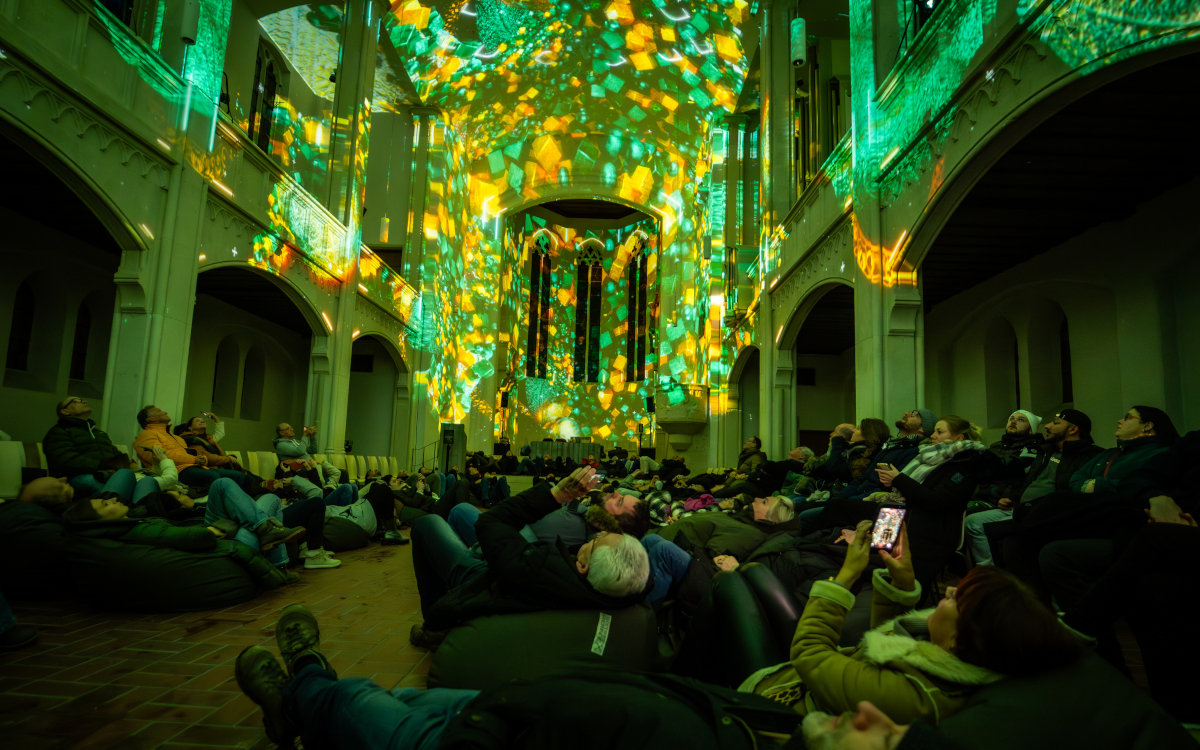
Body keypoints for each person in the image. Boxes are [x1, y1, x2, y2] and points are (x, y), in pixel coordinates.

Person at [233, 605, 814, 750]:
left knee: (360, 699)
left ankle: (303, 683)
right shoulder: (789, 724)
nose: (868, 717)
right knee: (395, 695)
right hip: (509, 706)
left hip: (486, 740)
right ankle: (311, 700)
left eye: (886, 739)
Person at [718, 522, 1081, 726]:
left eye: (959, 598)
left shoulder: (918, 699)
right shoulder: (950, 655)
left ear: (958, 641)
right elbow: (883, 647)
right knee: (747, 577)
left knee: (731, 586)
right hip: (800, 678)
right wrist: (902, 581)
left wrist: (845, 577)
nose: (951, 589)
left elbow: (810, 653)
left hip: (781, 705)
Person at [409, 467, 650, 648]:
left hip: (484, 581)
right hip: (508, 569)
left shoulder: (541, 566)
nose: (599, 536)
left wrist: (555, 494)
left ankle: (433, 629)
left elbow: (490, 522)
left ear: (583, 565)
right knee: (458, 512)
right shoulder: (627, 583)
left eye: (599, 539)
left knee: (426, 523)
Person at [61, 491, 303, 590]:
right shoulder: (134, 531)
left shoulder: (132, 524)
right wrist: (214, 530)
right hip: (229, 544)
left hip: (220, 539)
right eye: (106, 505)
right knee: (268, 500)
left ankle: (265, 533)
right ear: (98, 520)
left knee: (230, 489)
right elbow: (196, 537)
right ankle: (274, 552)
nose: (113, 500)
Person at [977, 409, 1103, 569]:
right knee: (987, 528)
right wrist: (1013, 498)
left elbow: (1075, 494)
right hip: (1023, 509)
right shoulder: (1045, 451)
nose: (1047, 426)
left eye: (1055, 423)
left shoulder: (1089, 456)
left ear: (1072, 429)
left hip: (1050, 516)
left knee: (1000, 533)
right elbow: (1027, 480)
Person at [134, 405, 252, 492]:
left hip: (192, 466)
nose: (164, 411)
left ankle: (232, 507)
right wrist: (195, 460)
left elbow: (189, 453)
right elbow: (160, 457)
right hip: (175, 471)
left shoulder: (176, 437)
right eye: (159, 411)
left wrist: (200, 459)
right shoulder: (147, 435)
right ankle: (209, 510)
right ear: (151, 419)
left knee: (238, 475)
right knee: (213, 476)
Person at [42, 396, 126, 495]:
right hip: (76, 478)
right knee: (93, 482)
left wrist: (128, 464)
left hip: (107, 474)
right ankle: (114, 504)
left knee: (139, 479)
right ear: (65, 411)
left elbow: (115, 454)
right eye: (75, 401)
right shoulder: (59, 432)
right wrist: (103, 467)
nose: (84, 402)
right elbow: (66, 460)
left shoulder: (99, 433)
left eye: (82, 400)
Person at [274, 423, 341, 489]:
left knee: (337, 472)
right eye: (288, 429)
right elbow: (300, 451)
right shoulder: (281, 445)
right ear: (282, 433)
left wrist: (312, 437)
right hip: (302, 467)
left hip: (311, 463)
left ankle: (328, 488)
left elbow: (312, 450)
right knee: (320, 477)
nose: (292, 429)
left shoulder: (295, 441)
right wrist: (305, 436)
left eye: (291, 428)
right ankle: (324, 490)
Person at [175, 413, 244, 471]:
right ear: (190, 427)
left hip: (219, 465)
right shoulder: (190, 438)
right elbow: (207, 456)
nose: (202, 422)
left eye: (203, 421)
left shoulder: (208, 439)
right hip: (210, 468)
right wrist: (227, 459)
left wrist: (215, 418)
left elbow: (220, 433)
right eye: (197, 421)